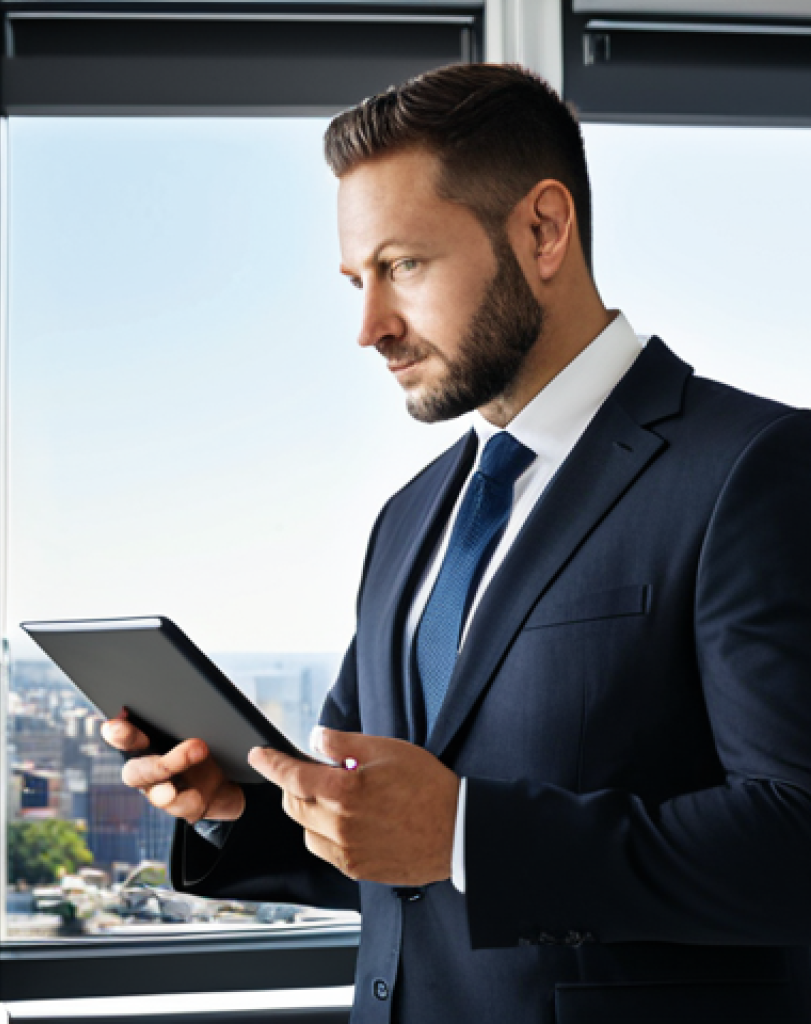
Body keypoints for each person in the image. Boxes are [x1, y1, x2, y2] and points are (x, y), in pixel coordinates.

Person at [102, 63, 811, 1023]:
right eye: (358, 280)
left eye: (403, 266)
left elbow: (794, 837)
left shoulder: (754, 468)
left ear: (542, 229)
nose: (369, 328)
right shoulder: (410, 516)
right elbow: (384, 833)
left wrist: (470, 836)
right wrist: (238, 803)